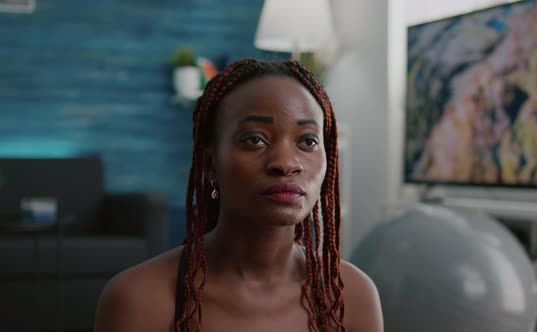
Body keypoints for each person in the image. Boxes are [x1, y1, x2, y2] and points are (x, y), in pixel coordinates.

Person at [94, 58, 383, 332]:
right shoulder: (140, 299)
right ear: (210, 163)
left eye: (308, 141)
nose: (286, 163)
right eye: (254, 139)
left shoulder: (351, 297)